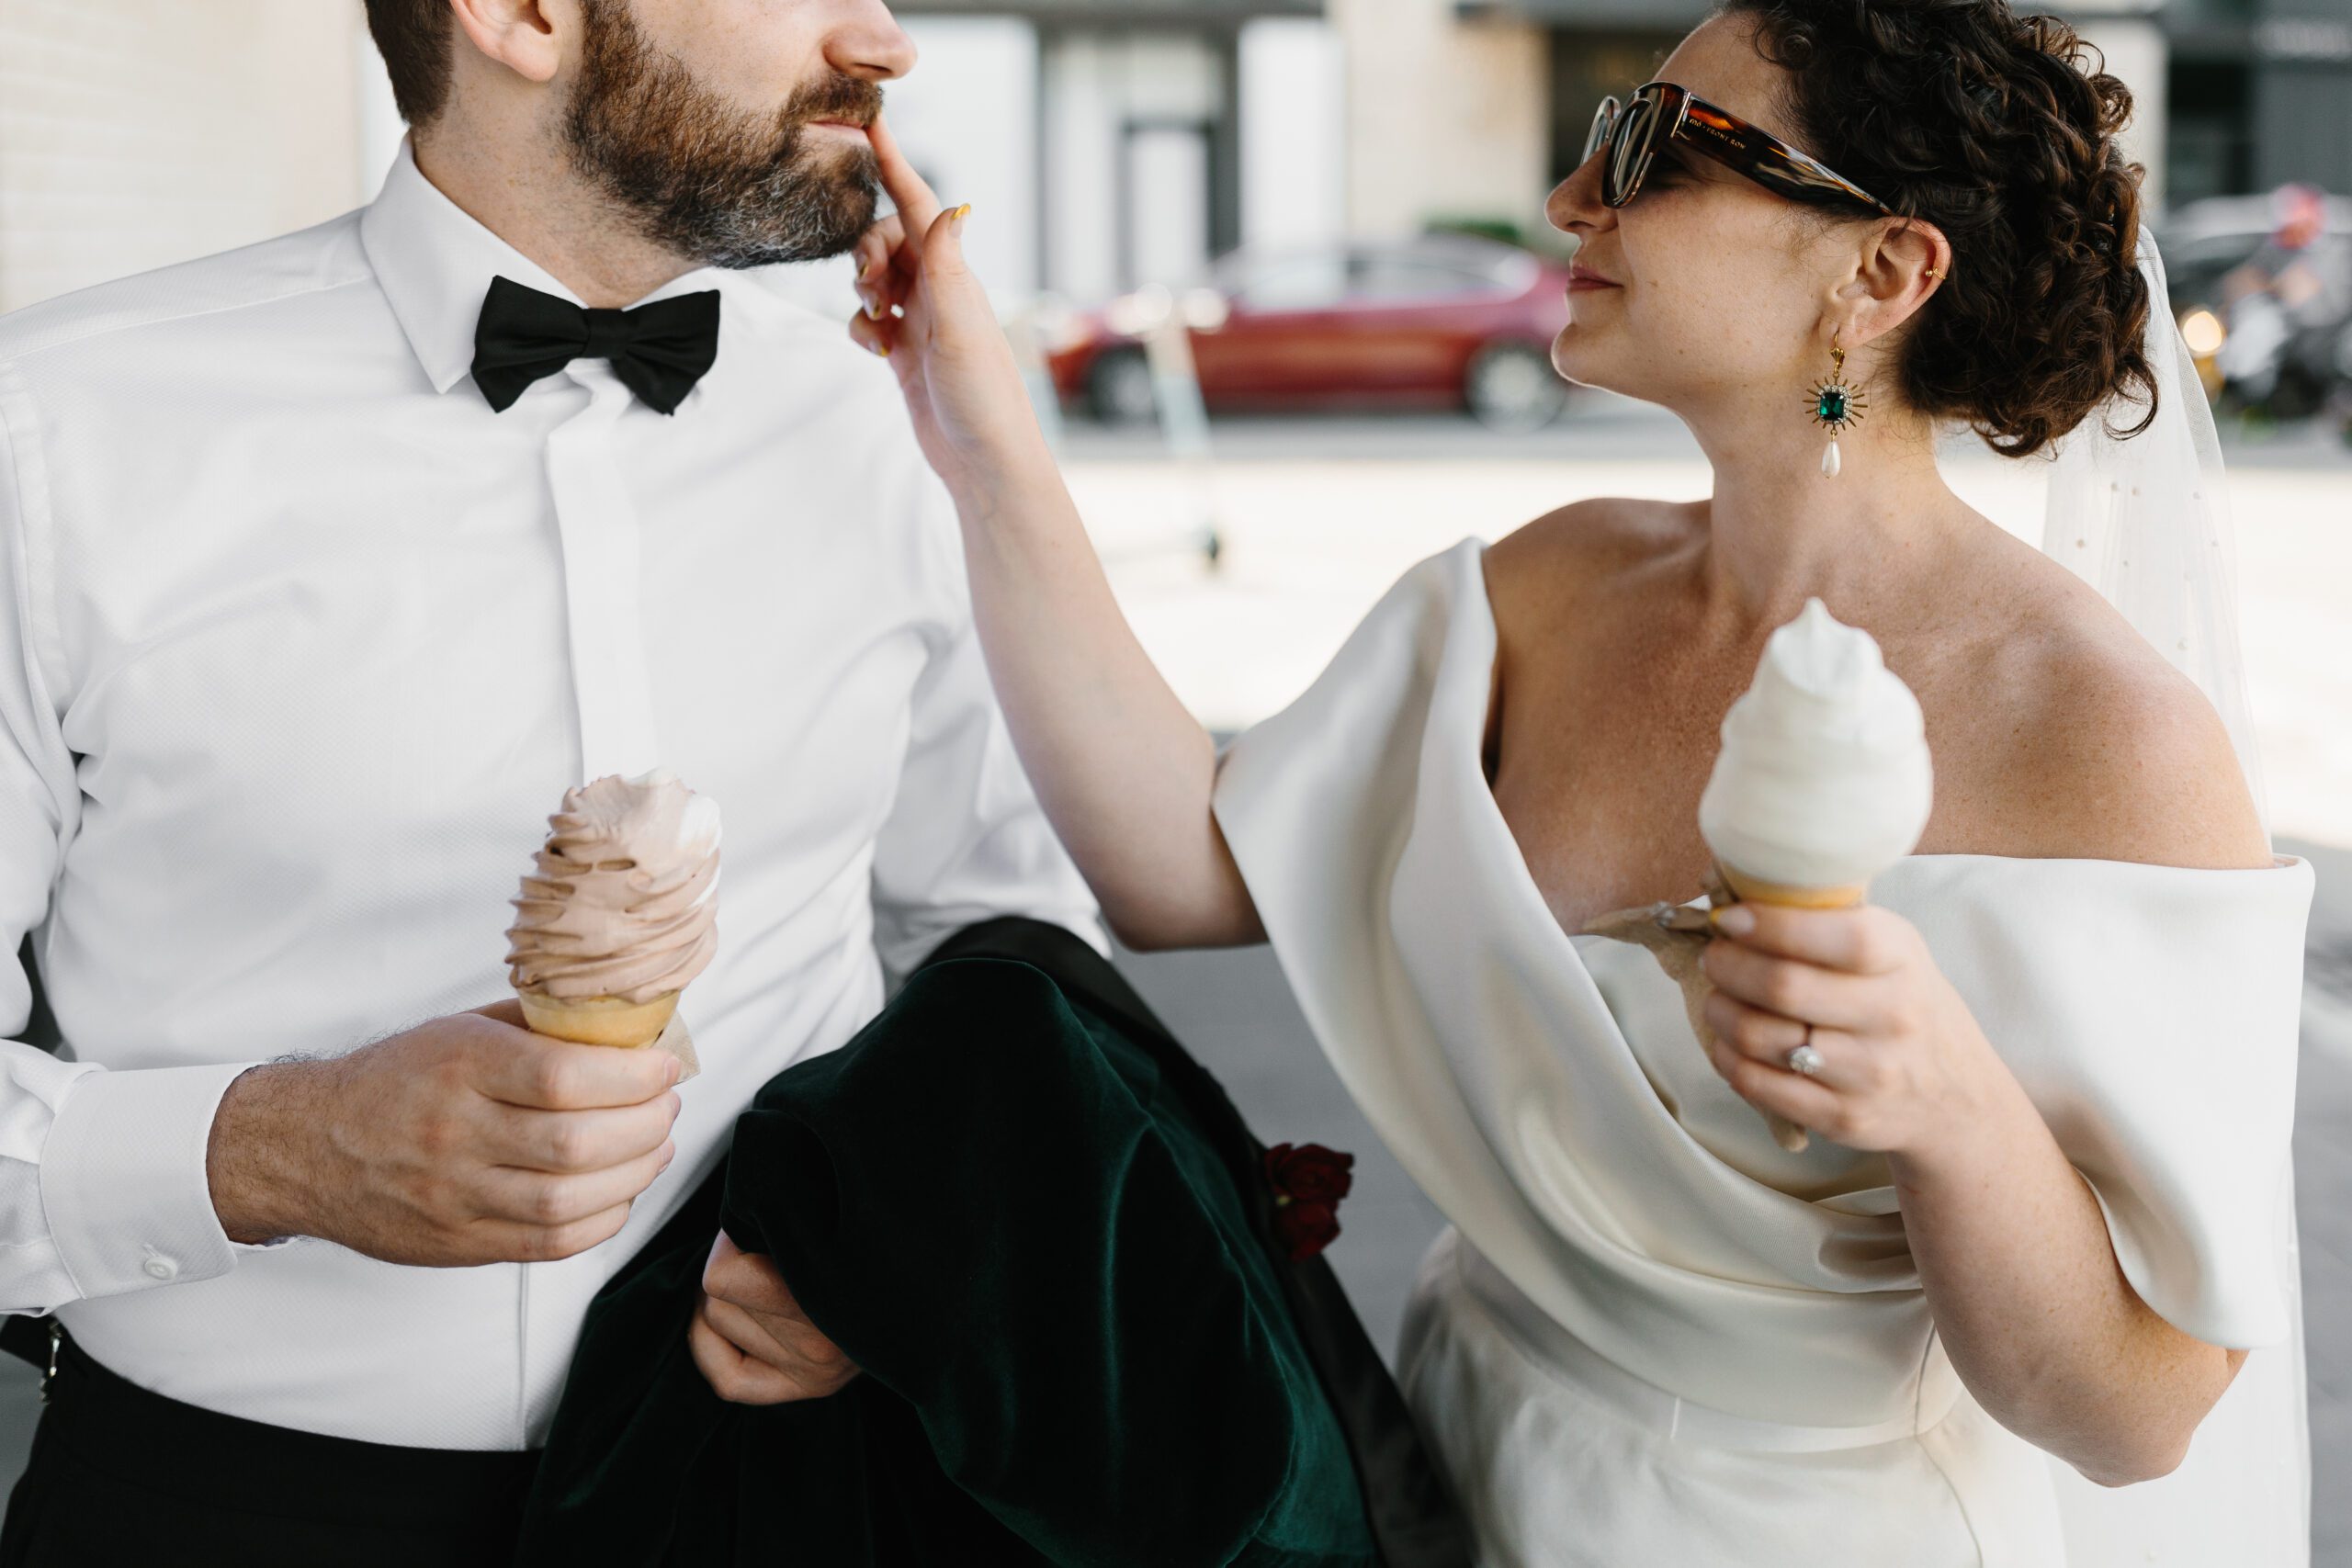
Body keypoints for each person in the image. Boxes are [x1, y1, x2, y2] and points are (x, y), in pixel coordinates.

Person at [845, 0, 2318, 1562]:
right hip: (1451, 1460)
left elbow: (2136, 1417)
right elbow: (1178, 866)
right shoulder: (1546, 591)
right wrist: (980, 428)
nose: (1570, 198)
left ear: (1881, 273)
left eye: (1654, 148)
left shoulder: (2102, 735)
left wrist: (1943, 1103)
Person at [0, 1, 1101, 1562]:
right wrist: (272, 1150)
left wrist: (909, 1242)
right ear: (521, 15)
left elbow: (1005, 938)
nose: (886, 37)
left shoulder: (898, 411)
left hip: (800, 1491)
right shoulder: (52, 439)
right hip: (220, 1509)